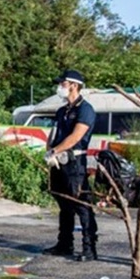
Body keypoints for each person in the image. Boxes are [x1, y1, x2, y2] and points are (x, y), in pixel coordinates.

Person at [42, 69, 98, 261]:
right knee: (64, 204)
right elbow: (53, 133)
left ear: (74, 85)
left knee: (81, 204)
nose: (60, 87)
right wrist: (49, 150)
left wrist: (55, 150)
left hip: (75, 163)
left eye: (63, 83)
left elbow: (76, 136)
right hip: (58, 162)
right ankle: (64, 244)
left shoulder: (85, 109)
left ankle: (89, 248)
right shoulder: (62, 111)